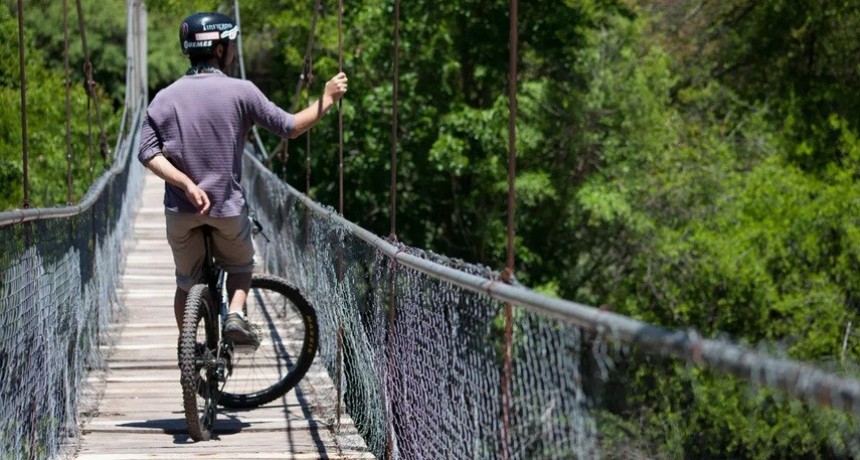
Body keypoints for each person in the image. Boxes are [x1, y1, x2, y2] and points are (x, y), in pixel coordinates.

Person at [138, 12, 347, 345]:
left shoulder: (163, 98)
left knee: (185, 284)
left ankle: (189, 351)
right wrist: (328, 99)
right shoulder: (242, 91)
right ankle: (235, 313)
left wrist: (187, 185)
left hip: (181, 212)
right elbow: (291, 127)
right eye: (230, 44)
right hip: (226, 209)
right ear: (220, 50)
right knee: (240, 267)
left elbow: (147, 153)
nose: (233, 49)